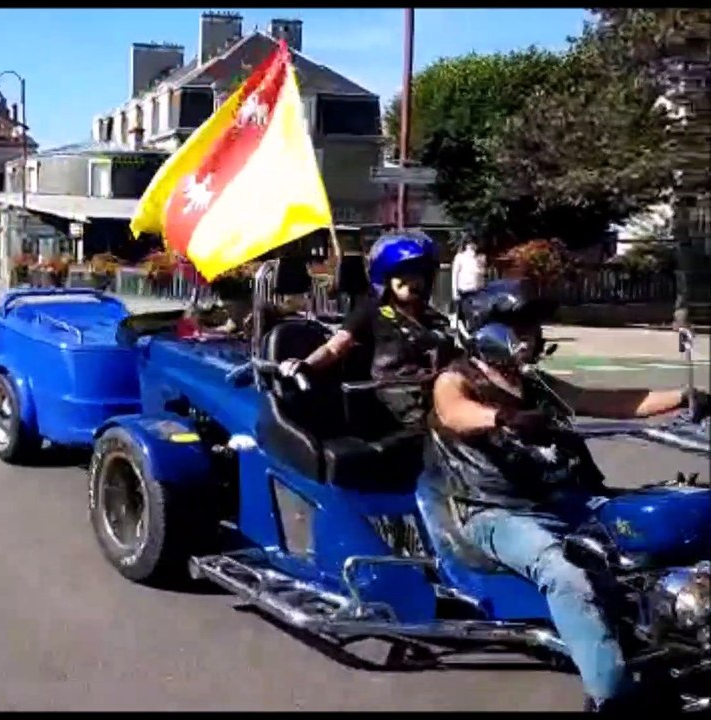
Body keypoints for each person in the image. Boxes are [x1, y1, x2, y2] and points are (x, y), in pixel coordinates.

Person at [421, 278, 710, 712]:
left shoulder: (535, 383)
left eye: (532, 326)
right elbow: (453, 412)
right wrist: (501, 416)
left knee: (664, 528)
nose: (530, 336)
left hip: (559, 497)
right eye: (518, 326)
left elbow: (608, 401)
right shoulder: (457, 378)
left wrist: (685, 397)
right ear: (484, 330)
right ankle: (610, 695)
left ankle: (681, 630)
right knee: (564, 573)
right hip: (493, 509)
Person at [277, 231, 456, 429]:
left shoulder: (434, 319)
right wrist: (306, 364)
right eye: (403, 273)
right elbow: (335, 347)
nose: (413, 280)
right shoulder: (372, 311)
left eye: (418, 273)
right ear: (386, 277)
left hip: (438, 396)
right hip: (399, 404)